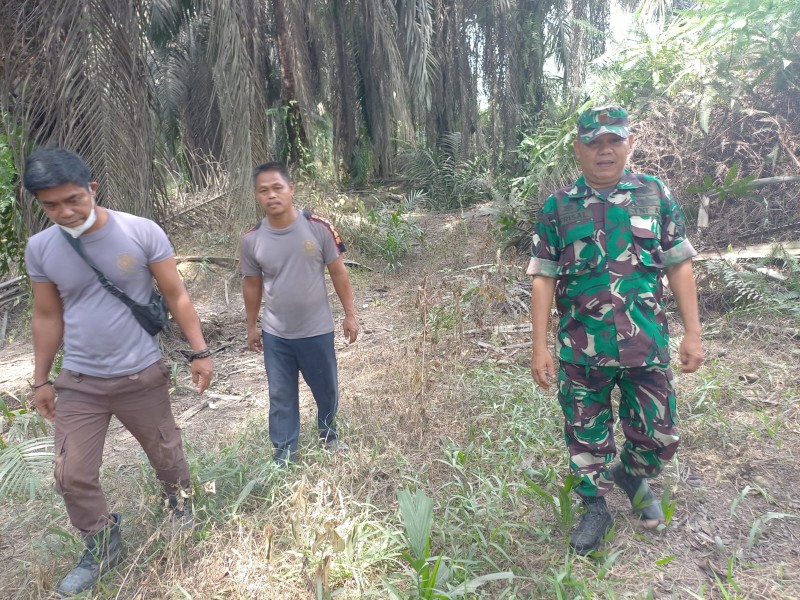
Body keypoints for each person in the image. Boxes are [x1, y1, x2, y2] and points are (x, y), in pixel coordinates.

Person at [23, 148, 214, 596]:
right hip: (81, 382)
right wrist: (41, 378)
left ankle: (180, 505)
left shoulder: (140, 231)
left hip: (140, 374)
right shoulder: (42, 248)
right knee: (71, 474)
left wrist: (200, 351)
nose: (65, 212)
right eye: (51, 205)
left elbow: (176, 294)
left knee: (166, 452)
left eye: (73, 199)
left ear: (93, 188)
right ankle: (102, 543)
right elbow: (47, 316)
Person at [528, 105, 703, 555]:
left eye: (614, 140)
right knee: (586, 434)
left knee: (660, 434)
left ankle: (633, 474)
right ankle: (595, 506)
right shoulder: (559, 207)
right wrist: (539, 347)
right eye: (594, 142)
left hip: (646, 342)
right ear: (578, 148)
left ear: (629, 143)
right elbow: (543, 277)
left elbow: (679, 265)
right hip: (582, 348)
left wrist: (693, 333)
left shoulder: (654, 194)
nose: (604, 150)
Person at [239, 162, 359, 465]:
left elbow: (339, 273)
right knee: (280, 396)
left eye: (277, 188)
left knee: (325, 387)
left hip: (316, 330)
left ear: (291, 189)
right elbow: (252, 285)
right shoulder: (251, 239)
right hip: (277, 333)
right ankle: (284, 454)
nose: (272, 195)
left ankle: (329, 435)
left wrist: (350, 314)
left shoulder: (318, 228)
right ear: (256, 196)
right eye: (263, 190)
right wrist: (252, 326)